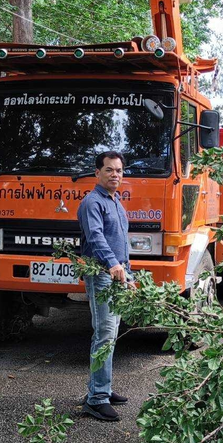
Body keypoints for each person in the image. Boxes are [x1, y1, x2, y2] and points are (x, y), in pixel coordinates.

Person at [77, 151, 133, 422]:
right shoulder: (92, 202)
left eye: (119, 170)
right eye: (109, 170)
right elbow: (96, 237)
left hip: (116, 275)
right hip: (101, 274)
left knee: (111, 334)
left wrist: (128, 274)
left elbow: (122, 242)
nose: (115, 175)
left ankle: (104, 389)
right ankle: (96, 399)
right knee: (104, 334)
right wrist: (112, 264)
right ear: (97, 173)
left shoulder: (116, 202)